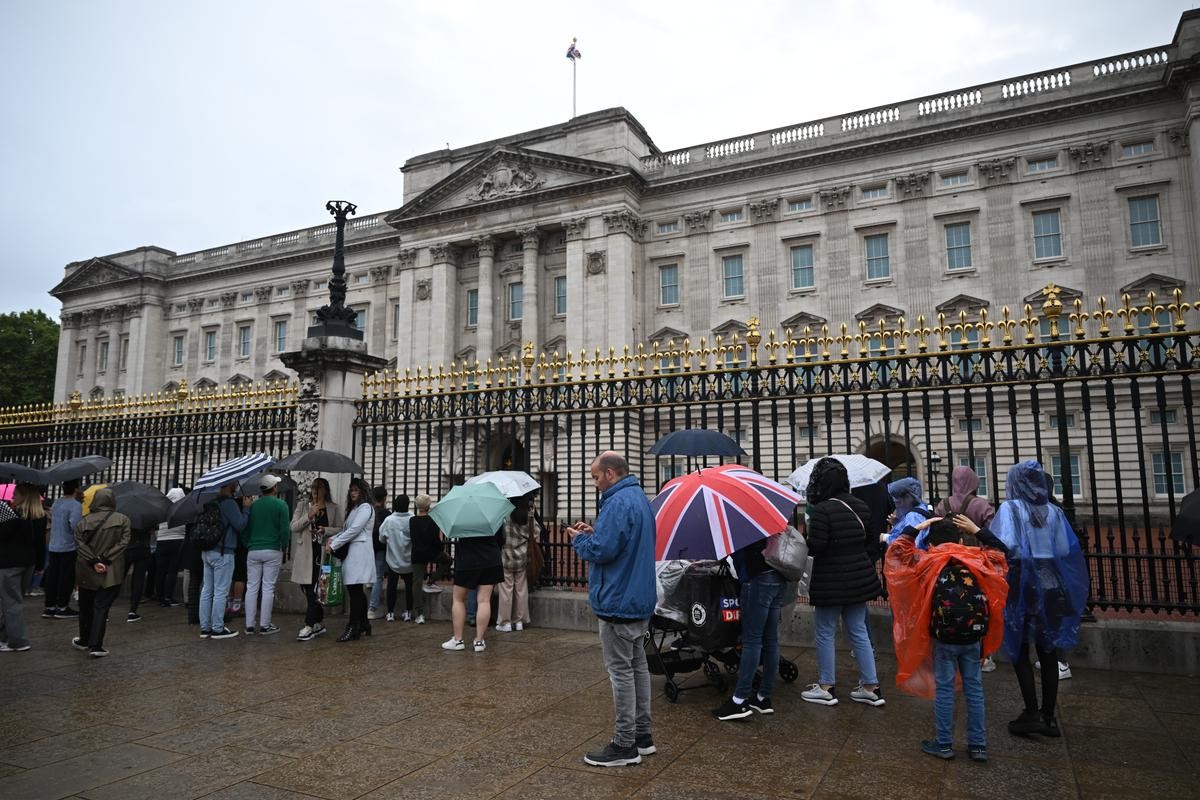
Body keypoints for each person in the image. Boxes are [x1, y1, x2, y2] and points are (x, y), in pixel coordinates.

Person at [954, 461, 1088, 738]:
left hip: (1023, 583)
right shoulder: (1053, 511)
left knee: (1020, 650)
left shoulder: (1012, 509)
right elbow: (1064, 548)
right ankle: (1049, 716)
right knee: (1048, 650)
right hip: (1052, 583)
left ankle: (1031, 711)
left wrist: (978, 532)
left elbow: (1008, 546)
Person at [885, 517, 1009, 762]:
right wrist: (978, 530)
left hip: (943, 635)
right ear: (961, 539)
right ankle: (978, 745)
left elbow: (896, 554)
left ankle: (943, 744)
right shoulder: (977, 559)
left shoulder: (928, 561)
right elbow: (1002, 554)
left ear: (930, 543)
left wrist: (914, 529)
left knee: (944, 688)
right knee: (974, 688)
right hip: (974, 634)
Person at [569, 451, 656, 767]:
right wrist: (595, 532)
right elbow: (622, 542)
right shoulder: (640, 498)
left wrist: (579, 540)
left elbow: (603, 551)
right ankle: (643, 736)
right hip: (638, 596)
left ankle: (624, 744)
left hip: (619, 598)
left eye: (594, 477)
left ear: (609, 473)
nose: (594, 484)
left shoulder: (616, 502)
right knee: (637, 666)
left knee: (620, 671)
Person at [801, 456, 886, 708]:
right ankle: (871, 686)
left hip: (831, 579)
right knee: (858, 630)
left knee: (825, 632)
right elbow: (870, 539)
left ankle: (826, 686)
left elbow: (816, 547)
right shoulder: (860, 505)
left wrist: (808, 534)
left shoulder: (822, 509)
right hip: (858, 577)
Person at [712, 534, 789, 721]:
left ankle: (739, 700)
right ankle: (763, 697)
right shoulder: (766, 513)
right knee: (771, 640)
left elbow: (737, 553)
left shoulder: (740, 523)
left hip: (757, 579)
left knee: (752, 641)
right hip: (779, 576)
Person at [933, 465, 999, 671]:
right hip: (976, 562)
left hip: (947, 562)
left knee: (950, 603)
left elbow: (934, 532)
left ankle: (948, 646)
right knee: (979, 605)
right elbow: (993, 534)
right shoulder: (981, 505)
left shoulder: (943, 504)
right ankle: (984, 655)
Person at [72, 487, 130, 657]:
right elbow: (123, 542)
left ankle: (84, 639)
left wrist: (94, 561)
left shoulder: (84, 521)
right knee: (101, 607)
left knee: (85, 606)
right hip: (111, 569)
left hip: (86, 569)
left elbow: (79, 544)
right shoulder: (123, 519)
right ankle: (96, 645)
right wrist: (104, 559)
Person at [441, 502, 504, 654]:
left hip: (467, 560)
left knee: (458, 599)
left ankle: (458, 639)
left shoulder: (461, 516)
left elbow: (451, 533)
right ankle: (479, 641)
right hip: (490, 559)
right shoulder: (493, 514)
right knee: (484, 600)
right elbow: (501, 540)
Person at [289, 477, 342, 640]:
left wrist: (325, 530)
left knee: (316, 590)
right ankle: (318, 621)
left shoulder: (333, 508)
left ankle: (309, 625)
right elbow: (294, 527)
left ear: (325, 490)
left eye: (319, 488)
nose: (315, 491)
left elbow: (340, 528)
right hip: (306, 554)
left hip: (323, 554)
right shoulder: (303, 505)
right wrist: (309, 515)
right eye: (313, 487)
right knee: (307, 589)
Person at [323, 478, 375, 641]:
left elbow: (354, 530)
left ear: (362, 492)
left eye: (356, 490)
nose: (353, 493)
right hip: (353, 553)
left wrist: (336, 543)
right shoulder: (355, 509)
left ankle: (353, 626)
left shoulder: (365, 507)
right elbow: (347, 529)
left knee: (355, 590)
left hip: (360, 552)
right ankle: (363, 623)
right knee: (356, 590)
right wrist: (332, 539)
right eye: (351, 490)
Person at [241, 474, 290, 635]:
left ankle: (249, 625)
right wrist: (284, 547)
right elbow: (284, 531)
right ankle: (265, 624)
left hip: (253, 549)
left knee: (252, 587)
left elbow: (245, 528)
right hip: (273, 548)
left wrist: (248, 543)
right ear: (274, 488)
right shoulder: (281, 504)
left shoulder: (253, 506)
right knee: (268, 587)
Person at [200, 481, 250, 640]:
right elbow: (240, 525)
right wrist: (246, 509)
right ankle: (217, 628)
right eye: (235, 483)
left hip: (208, 550)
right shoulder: (229, 503)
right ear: (230, 485)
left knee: (207, 590)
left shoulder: (212, 502)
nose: (237, 485)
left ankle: (205, 627)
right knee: (221, 591)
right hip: (223, 551)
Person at [0, 484, 47, 652]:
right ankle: (5, 637)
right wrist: (40, 564)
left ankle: (18, 641)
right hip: (29, 563)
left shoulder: (15, 516)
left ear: (24, 496)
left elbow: (3, 536)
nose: (13, 496)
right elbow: (40, 544)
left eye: (16, 494)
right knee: (13, 601)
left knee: (10, 602)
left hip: (9, 563)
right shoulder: (40, 516)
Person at [496, 491, 537, 632]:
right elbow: (536, 533)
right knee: (521, 590)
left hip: (506, 556)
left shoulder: (505, 515)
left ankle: (505, 622)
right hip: (522, 557)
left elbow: (500, 535)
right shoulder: (528, 516)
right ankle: (519, 621)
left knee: (506, 591)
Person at [43, 480, 82, 620]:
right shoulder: (76, 505)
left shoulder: (57, 502)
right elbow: (75, 526)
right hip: (68, 546)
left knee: (52, 576)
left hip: (54, 544)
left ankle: (49, 606)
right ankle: (62, 607)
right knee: (66, 577)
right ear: (76, 489)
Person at [378, 495, 417, 622]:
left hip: (393, 558)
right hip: (409, 559)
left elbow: (381, 538)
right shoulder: (412, 518)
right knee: (409, 586)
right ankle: (409, 611)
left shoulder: (389, 520)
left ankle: (390, 612)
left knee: (391, 585)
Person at [154, 487, 187, 607]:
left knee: (160, 570)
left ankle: (160, 596)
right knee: (172, 571)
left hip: (162, 540)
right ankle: (168, 596)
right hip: (178, 541)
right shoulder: (183, 508)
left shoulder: (163, 508)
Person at [409, 494, 440, 616]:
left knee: (416, 583)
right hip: (431, 552)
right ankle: (431, 581)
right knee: (447, 561)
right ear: (428, 505)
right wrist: (439, 548)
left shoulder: (412, 521)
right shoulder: (433, 520)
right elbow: (436, 540)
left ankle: (419, 612)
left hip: (417, 553)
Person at [885, 477, 932, 546]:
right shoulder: (921, 508)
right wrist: (897, 523)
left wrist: (886, 538)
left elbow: (910, 544)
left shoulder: (913, 516)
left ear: (908, 497)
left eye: (899, 502)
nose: (898, 506)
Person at [367, 485, 389, 620]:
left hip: (368, 547)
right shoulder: (386, 513)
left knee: (370, 576)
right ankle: (372, 607)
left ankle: (373, 604)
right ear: (384, 498)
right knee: (378, 577)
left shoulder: (368, 511)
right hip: (380, 547)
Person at [124, 525, 153, 622]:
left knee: (118, 578)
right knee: (138, 579)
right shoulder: (148, 514)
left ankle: (105, 610)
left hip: (127, 548)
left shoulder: (125, 514)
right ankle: (132, 611)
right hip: (143, 548)